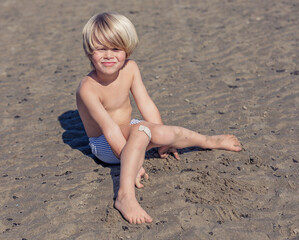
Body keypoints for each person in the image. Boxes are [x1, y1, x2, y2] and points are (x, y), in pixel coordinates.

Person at [76, 12, 242, 225]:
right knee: (142, 130)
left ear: (127, 49)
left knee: (164, 131)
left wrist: (164, 139)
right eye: (101, 49)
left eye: (116, 48)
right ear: (90, 52)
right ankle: (125, 196)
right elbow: (110, 130)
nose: (109, 55)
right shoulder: (88, 88)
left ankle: (209, 141)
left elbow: (145, 103)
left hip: (130, 131)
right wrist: (132, 163)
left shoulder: (131, 68)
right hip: (106, 146)